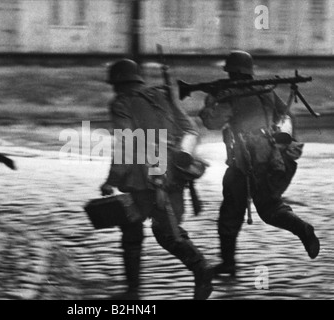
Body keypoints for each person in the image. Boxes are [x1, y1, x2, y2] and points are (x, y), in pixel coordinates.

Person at [198, 51, 320, 277]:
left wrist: (210, 102)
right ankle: (302, 229)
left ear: (233, 72)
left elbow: (212, 122)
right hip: (270, 159)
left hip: (242, 162)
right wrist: (280, 145)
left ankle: (228, 264)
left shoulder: (230, 95)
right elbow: (286, 118)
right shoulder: (265, 92)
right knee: (270, 207)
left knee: (230, 215)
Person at [100, 59, 213, 300]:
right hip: (170, 175)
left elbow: (125, 144)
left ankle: (197, 271)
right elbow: (191, 131)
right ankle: (197, 271)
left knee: (144, 232)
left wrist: (112, 179)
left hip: (142, 179)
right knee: (160, 231)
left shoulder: (121, 103)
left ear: (117, 84)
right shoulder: (162, 97)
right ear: (138, 80)